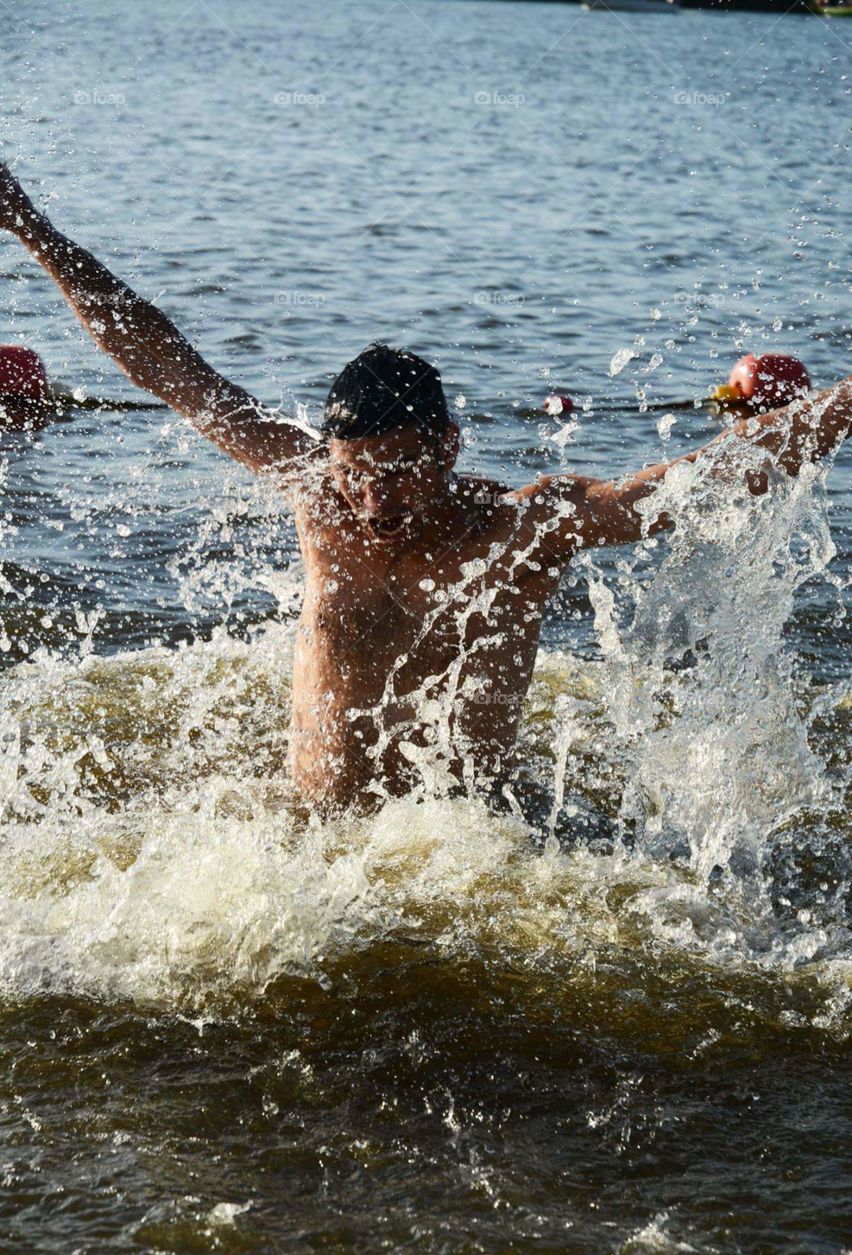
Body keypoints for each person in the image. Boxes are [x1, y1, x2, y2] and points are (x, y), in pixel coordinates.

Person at [1, 162, 849, 812]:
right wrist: (28, 224)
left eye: (404, 471)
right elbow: (170, 365)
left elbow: (688, 486)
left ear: (449, 447)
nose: (377, 500)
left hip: (464, 841)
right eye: (357, 474)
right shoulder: (315, 493)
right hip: (312, 833)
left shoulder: (525, 529)